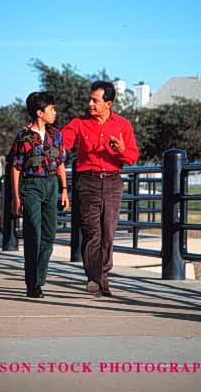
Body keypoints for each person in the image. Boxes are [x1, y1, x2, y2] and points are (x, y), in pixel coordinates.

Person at [62, 81, 139, 297]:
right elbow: (62, 142)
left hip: (113, 183)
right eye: (90, 99)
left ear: (108, 103)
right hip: (88, 182)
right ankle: (96, 278)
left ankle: (102, 277)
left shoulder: (123, 125)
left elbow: (132, 157)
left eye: (95, 101)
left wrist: (122, 150)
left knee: (108, 233)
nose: (90, 104)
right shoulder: (78, 123)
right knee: (92, 233)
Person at [8, 92, 69, 298]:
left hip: (51, 185)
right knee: (33, 231)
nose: (55, 112)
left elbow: (60, 163)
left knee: (49, 235)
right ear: (39, 113)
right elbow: (16, 167)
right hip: (31, 185)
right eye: (51, 109)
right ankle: (32, 283)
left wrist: (64, 190)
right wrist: (16, 198)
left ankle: (40, 278)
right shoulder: (23, 136)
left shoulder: (56, 135)